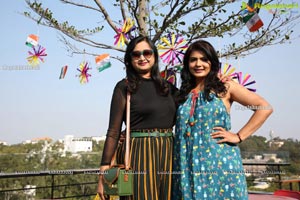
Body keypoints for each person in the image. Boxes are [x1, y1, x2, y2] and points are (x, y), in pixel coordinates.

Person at [172, 40, 273, 199]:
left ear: (212, 62)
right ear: (187, 64)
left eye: (204, 59)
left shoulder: (225, 87)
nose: (198, 64)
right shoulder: (182, 94)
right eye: (193, 60)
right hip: (186, 165)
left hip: (219, 162)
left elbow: (264, 108)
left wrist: (239, 136)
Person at [97, 35, 177, 200]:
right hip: (138, 154)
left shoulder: (167, 88)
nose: (142, 57)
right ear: (130, 59)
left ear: (154, 55)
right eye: (136, 54)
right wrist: (103, 174)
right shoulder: (124, 87)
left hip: (169, 152)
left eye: (147, 52)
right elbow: (113, 131)